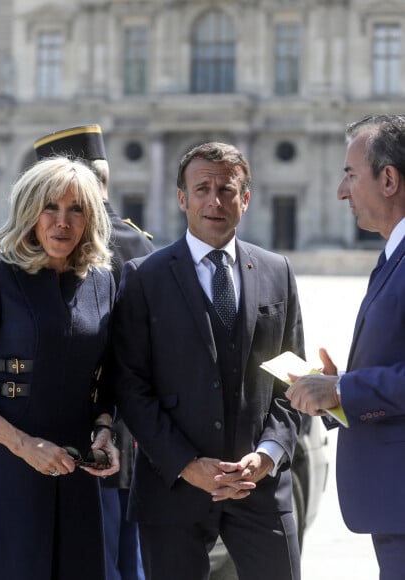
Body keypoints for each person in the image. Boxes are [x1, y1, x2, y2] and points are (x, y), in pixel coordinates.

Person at [112, 141, 305, 580]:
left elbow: (293, 379)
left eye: (227, 189)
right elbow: (130, 386)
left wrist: (269, 455)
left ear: (246, 199)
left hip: (259, 486)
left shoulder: (278, 271)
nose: (215, 201)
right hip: (173, 488)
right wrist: (186, 465)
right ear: (182, 198)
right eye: (202, 189)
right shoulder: (144, 278)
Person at [0, 156, 120, 580]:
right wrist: (25, 446)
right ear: (29, 212)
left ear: (90, 217)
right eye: (50, 208)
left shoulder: (102, 281)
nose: (63, 222)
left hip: (77, 472)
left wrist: (106, 432)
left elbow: (109, 374)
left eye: (76, 209)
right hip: (10, 471)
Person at [286, 114, 405, 580]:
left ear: (389, 179)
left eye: (351, 175)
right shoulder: (392, 254)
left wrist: (343, 390)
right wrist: (336, 392)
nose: (341, 191)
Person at [34, 124, 154, 580]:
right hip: (130, 433)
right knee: (129, 558)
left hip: (81, 433)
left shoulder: (65, 247)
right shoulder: (137, 240)